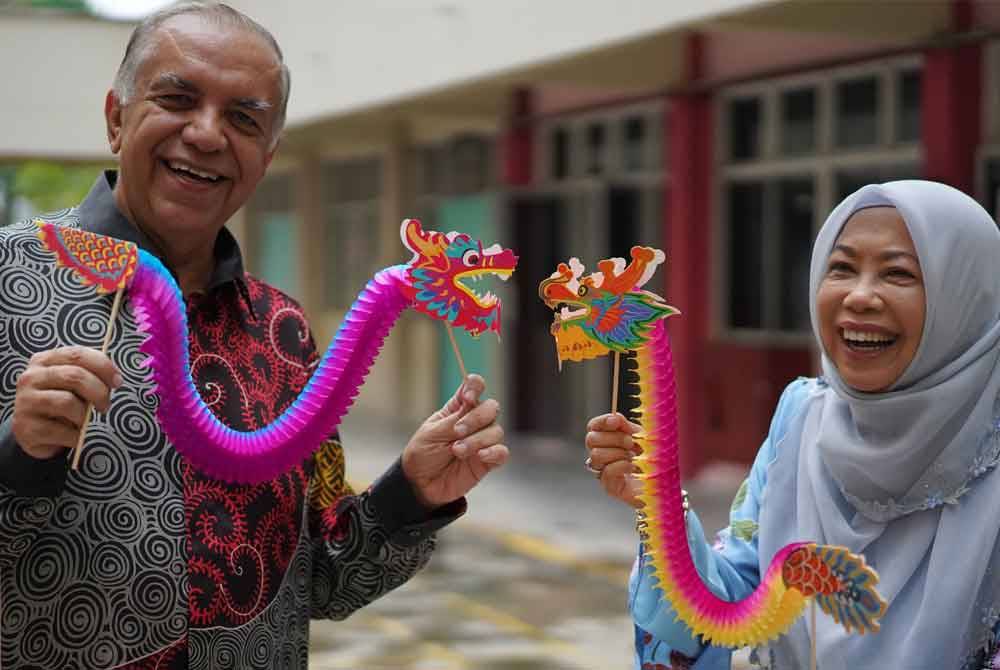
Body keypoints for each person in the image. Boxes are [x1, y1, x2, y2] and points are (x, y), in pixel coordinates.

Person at [0, 3, 508, 668]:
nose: (207, 134)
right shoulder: (12, 279)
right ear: (116, 118)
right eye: (178, 98)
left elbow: (323, 581)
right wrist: (20, 453)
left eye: (244, 118)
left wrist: (412, 493)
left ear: (265, 159)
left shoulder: (283, 332)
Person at [585, 180, 1000, 669]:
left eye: (899, 274)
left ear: (968, 295)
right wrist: (658, 509)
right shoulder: (802, 416)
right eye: (841, 268)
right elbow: (730, 600)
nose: (860, 296)